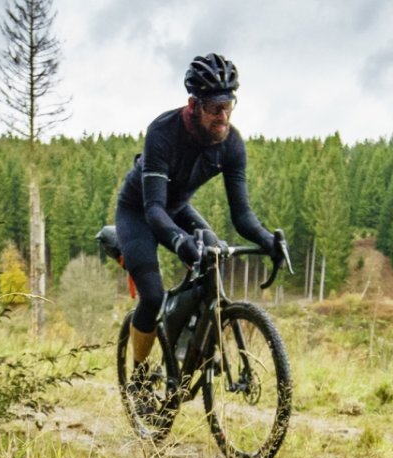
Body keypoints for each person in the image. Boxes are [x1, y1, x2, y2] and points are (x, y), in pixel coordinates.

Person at [113, 53, 286, 407]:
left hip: (175, 208)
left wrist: (268, 240)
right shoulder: (163, 133)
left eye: (229, 105)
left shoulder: (232, 144)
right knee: (153, 296)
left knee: (214, 251)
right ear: (194, 104)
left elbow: (242, 215)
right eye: (215, 108)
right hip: (139, 212)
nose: (223, 116)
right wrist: (179, 241)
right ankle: (141, 376)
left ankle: (185, 342)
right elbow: (154, 210)